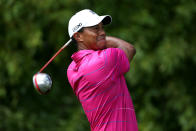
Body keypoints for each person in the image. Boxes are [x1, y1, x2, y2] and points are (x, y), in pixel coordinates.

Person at [67, 9, 138, 131]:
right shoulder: (104, 60)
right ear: (78, 36)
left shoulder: (72, 68)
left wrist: (98, 38)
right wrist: (103, 40)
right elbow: (129, 48)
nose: (103, 32)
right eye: (95, 29)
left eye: (102, 28)